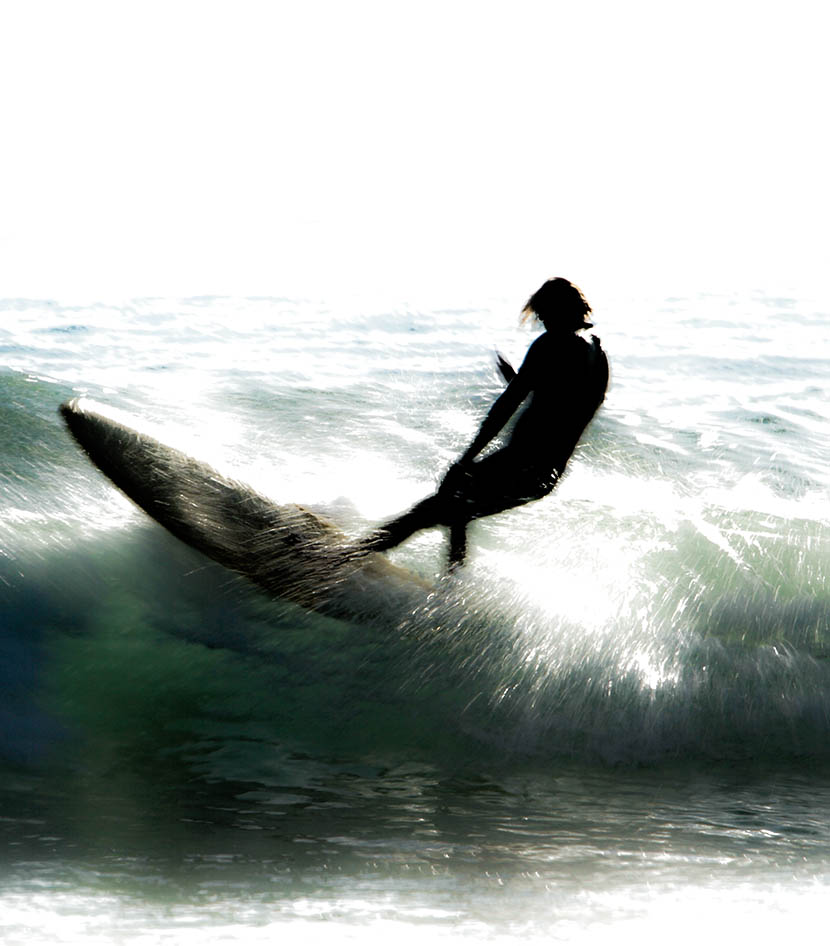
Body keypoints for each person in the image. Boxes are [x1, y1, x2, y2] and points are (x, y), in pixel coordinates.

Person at [358, 277, 609, 571]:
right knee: (458, 510)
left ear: (558, 310)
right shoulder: (597, 355)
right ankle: (454, 584)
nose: (541, 322)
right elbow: (564, 404)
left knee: (430, 510)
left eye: (543, 315)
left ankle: (342, 561)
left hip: (521, 464)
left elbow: (506, 407)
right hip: (546, 476)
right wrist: (518, 379)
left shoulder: (551, 344)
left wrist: (466, 459)